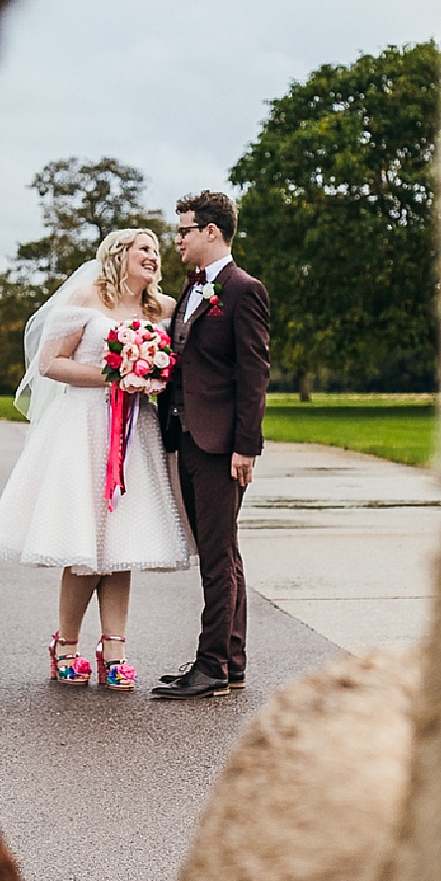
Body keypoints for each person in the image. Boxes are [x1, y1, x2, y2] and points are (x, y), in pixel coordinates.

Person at [0, 228, 195, 692]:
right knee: (83, 547)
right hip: (84, 429)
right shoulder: (85, 297)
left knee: (120, 549)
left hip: (135, 434)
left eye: (157, 251)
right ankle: (67, 647)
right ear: (120, 255)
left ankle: (114, 650)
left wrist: (148, 376)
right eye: (145, 249)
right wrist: (114, 373)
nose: (154, 257)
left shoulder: (164, 310)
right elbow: (49, 363)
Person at [153, 190, 270, 700]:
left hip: (221, 446)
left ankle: (211, 666)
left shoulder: (244, 290)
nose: (176, 239)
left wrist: (246, 447)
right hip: (187, 436)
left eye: (184, 230)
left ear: (212, 232)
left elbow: (254, 375)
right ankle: (232, 659)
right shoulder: (191, 288)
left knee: (217, 557)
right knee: (222, 552)